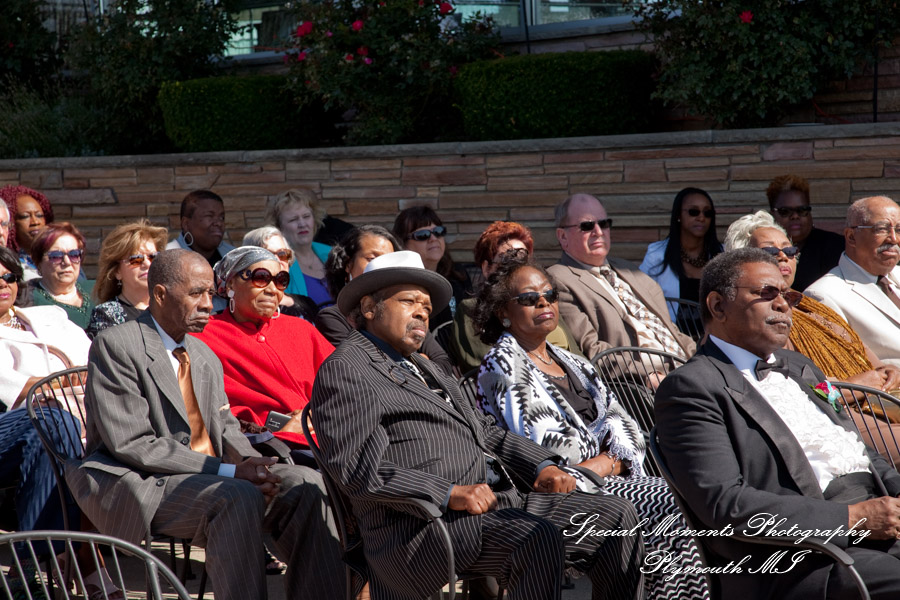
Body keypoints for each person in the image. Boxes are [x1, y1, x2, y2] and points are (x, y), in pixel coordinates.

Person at [311, 250, 645, 600]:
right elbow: (359, 469)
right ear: (368, 307)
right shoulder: (348, 368)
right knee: (534, 538)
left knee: (618, 518)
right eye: (409, 301)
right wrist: (448, 492)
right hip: (419, 527)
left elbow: (484, 429)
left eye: (426, 305)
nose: (422, 312)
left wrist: (543, 465)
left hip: (493, 505)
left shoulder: (429, 368)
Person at [67, 249, 345, 600]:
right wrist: (229, 472)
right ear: (161, 294)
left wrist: (251, 466)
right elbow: (132, 444)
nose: (206, 304)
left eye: (209, 294)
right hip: (142, 481)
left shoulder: (201, 354)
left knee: (305, 483)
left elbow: (225, 425)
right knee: (236, 496)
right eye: (195, 293)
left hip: (211, 476)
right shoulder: (117, 345)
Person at [655, 247, 900, 600]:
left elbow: (855, 448)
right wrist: (851, 519)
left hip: (876, 525)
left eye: (787, 294)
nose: (783, 304)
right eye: (766, 293)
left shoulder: (799, 366)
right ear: (717, 306)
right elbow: (727, 505)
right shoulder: (691, 388)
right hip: (802, 558)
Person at [474, 253, 706, 600]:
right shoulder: (502, 365)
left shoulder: (571, 361)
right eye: (528, 299)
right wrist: (610, 458)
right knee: (670, 503)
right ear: (502, 311)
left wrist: (611, 457)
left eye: (549, 294)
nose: (543, 302)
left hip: (609, 480)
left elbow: (625, 425)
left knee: (686, 499)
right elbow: (549, 448)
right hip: (553, 497)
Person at [726, 211, 900, 462]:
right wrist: (858, 386)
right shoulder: (758, 320)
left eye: (790, 250)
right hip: (835, 418)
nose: (784, 256)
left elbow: (873, 362)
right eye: (771, 252)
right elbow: (789, 393)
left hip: (878, 404)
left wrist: (887, 372)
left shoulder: (811, 306)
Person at [0, 246, 121, 598]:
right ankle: (82, 560)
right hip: (15, 424)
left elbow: (98, 367)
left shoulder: (49, 316)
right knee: (52, 420)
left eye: (8, 276)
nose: (3, 284)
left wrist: (63, 391)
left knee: (51, 436)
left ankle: (29, 570)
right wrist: (69, 387)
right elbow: (25, 392)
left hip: (58, 424)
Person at [192, 246, 335, 463]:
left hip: (327, 436)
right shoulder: (204, 336)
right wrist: (279, 428)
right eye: (261, 278)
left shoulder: (301, 329)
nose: (272, 289)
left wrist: (314, 416)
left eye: (280, 281)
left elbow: (344, 383)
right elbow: (213, 409)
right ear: (231, 283)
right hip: (265, 448)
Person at [547, 193, 695, 360]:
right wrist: (646, 376)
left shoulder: (628, 270)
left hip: (683, 365)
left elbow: (670, 330)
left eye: (604, 224)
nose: (598, 232)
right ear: (562, 236)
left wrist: (700, 357)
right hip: (636, 380)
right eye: (587, 226)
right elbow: (593, 350)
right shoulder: (558, 279)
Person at [317, 224, 454, 375]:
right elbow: (361, 367)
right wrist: (417, 364)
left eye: (390, 259)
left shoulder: (412, 315)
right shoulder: (334, 317)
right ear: (348, 264)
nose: (381, 266)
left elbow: (443, 364)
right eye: (372, 258)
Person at [450, 221, 582, 373]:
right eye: (507, 258)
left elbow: (579, 357)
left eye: (523, 257)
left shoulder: (546, 299)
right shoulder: (472, 309)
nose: (517, 265)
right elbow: (486, 364)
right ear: (486, 268)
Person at [805, 196, 900, 368]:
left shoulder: (897, 276)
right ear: (851, 237)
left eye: (899, 230)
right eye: (881, 229)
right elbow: (847, 368)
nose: (893, 239)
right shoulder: (823, 295)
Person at [639, 187, 722, 328]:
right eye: (693, 212)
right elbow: (640, 299)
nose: (701, 218)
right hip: (670, 342)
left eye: (707, 213)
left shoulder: (722, 255)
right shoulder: (657, 255)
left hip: (713, 342)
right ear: (678, 215)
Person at [392, 205, 473, 332]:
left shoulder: (458, 274)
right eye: (422, 235)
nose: (433, 238)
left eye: (438, 232)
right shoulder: (400, 285)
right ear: (403, 243)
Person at [88, 219, 168, 339]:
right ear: (117, 271)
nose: (147, 264)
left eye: (153, 257)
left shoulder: (170, 308)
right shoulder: (106, 315)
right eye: (136, 259)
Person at [767, 174, 844, 292]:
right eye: (785, 211)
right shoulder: (764, 249)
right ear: (772, 214)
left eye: (802, 210)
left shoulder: (836, 246)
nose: (795, 216)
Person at [266, 188, 333, 308]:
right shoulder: (279, 262)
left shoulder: (330, 253)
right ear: (280, 228)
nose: (302, 224)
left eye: (306, 216)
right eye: (293, 219)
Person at [25, 222, 95, 330]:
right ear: (38, 262)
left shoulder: (97, 289)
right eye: (56, 256)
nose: (67, 262)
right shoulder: (28, 299)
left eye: (74, 255)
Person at [242, 225, 318, 320]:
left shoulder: (307, 303)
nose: (278, 260)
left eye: (283, 253)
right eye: (269, 254)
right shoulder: (245, 305)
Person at [166, 189, 235, 267]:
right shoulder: (166, 259)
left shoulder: (234, 258)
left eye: (221, 217)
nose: (218, 223)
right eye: (209, 216)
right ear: (186, 224)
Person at [0, 184, 53, 281]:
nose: (35, 222)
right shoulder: (8, 264)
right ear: (11, 223)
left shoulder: (59, 256)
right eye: (25, 216)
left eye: (39, 215)